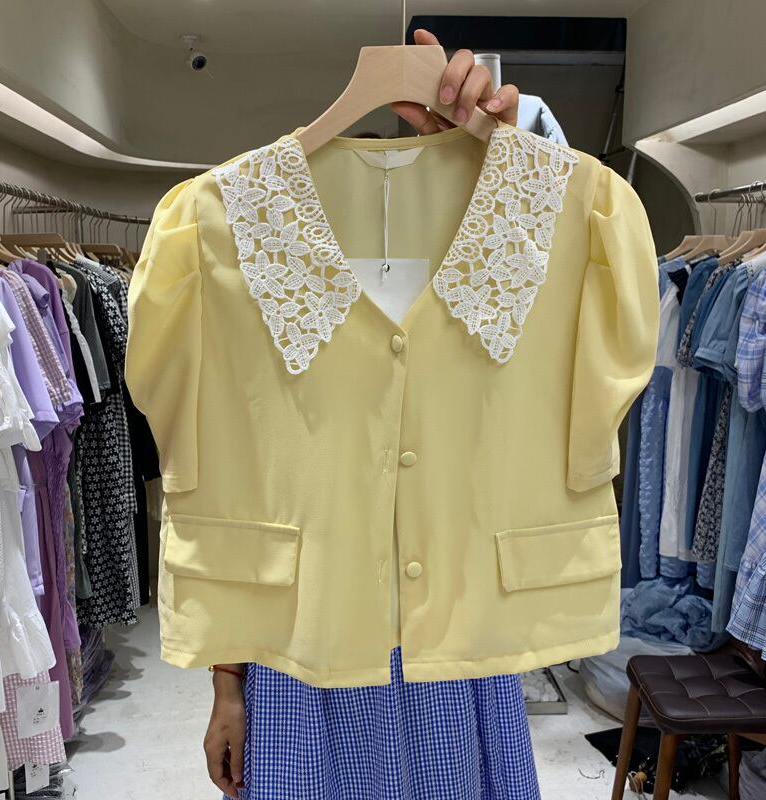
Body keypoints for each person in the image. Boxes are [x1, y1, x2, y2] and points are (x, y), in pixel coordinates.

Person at [203, 29, 531, 800]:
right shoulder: (264, 283)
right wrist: (226, 685)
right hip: (301, 652)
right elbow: (231, 492)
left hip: (455, 651)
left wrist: (505, 166)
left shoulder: (505, 273)